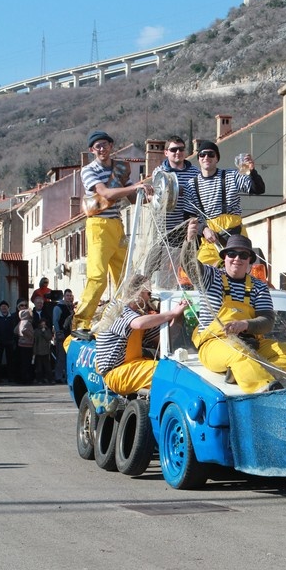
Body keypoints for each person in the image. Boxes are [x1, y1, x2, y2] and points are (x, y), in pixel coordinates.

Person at [185, 220, 286, 393]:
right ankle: (266, 391)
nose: (237, 259)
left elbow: (267, 320)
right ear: (224, 257)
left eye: (243, 256)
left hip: (252, 343)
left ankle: (242, 371)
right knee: (240, 354)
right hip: (215, 343)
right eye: (232, 254)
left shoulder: (259, 286)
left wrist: (246, 324)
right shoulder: (211, 277)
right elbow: (189, 265)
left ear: (249, 260)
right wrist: (189, 240)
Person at [72, 130, 153, 338]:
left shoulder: (120, 168)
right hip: (98, 225)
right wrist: (135, 186)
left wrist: (150, 194)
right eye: (97, 146)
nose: (102, 149)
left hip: (117, 225)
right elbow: (106, 193)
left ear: (111, 146)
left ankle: (125, 316)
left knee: (125, 276)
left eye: (105, 145)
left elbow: (134, 198)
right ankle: (81, 322)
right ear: (92, 150)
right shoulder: (88, 171)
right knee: (98, 276)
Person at [95, 274, 188, 395]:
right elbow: (138, 324)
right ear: (138, 292)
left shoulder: (138, 314)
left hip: (133, 366)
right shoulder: (117, 308)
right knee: (169, 373)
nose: (149, 298)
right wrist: (172, 313)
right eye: (148, 293)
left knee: (173, 370)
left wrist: (178, 319)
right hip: (116, 372)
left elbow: (162, 340)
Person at [184, 140, 265, 266]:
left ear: (217, 158)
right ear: (198, 158)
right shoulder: (191, 185)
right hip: (210, 240)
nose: (206, 157)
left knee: (240, 273)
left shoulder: (231, 175)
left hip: (236, 236)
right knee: (199, 271)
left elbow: (258, 189)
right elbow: (188, 217)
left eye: (211, 154)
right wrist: (203, 229)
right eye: (202, 154)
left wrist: (252, 171)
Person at [157, 135, 198, 235]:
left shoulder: (196, 172)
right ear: (166, 152)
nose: (178, 152)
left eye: (181, 149)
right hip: (166, 230)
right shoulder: (159, 173)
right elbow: (156, 196)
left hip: (190, 227)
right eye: (174, 150)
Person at [53, 289, 74, 383]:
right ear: (64, 297)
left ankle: (67, 376)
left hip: (70, 335)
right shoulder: (58, 307)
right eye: (67, 295)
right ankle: (58, 376)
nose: (69, 297)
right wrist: (58, 333)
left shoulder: (72, 307)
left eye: (70, 295)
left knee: (69, 357)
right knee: (61, 357)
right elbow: (55, 321)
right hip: (62, 335)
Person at [0, 301, 16, 383]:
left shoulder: (12, 317)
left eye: (5, 306)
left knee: (10, 360)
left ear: (8, 308)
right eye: (2, 306)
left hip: (9, 341)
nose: (4, 308)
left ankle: (11, 377)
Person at [15, 306, 34, 383]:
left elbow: (15, 330)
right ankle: (26, 378)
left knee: (22, 362)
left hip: (20, 344)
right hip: (27, 345)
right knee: (27, 362)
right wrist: (31, 335)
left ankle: (21, 378)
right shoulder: (27, 322)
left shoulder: (20, 322)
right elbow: (24, 330)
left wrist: (20, 337)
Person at [33, 319, 53, 383]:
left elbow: (49, 337)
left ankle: (50, 379)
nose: (43, 325)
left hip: (46, 350)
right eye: (42, 324)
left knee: (47, 366)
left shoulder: (48, 330)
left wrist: (44, 332)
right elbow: (36, 339)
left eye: (44, 324)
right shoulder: (36, 331)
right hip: (38, 350)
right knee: (39, 367)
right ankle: (39, 379)